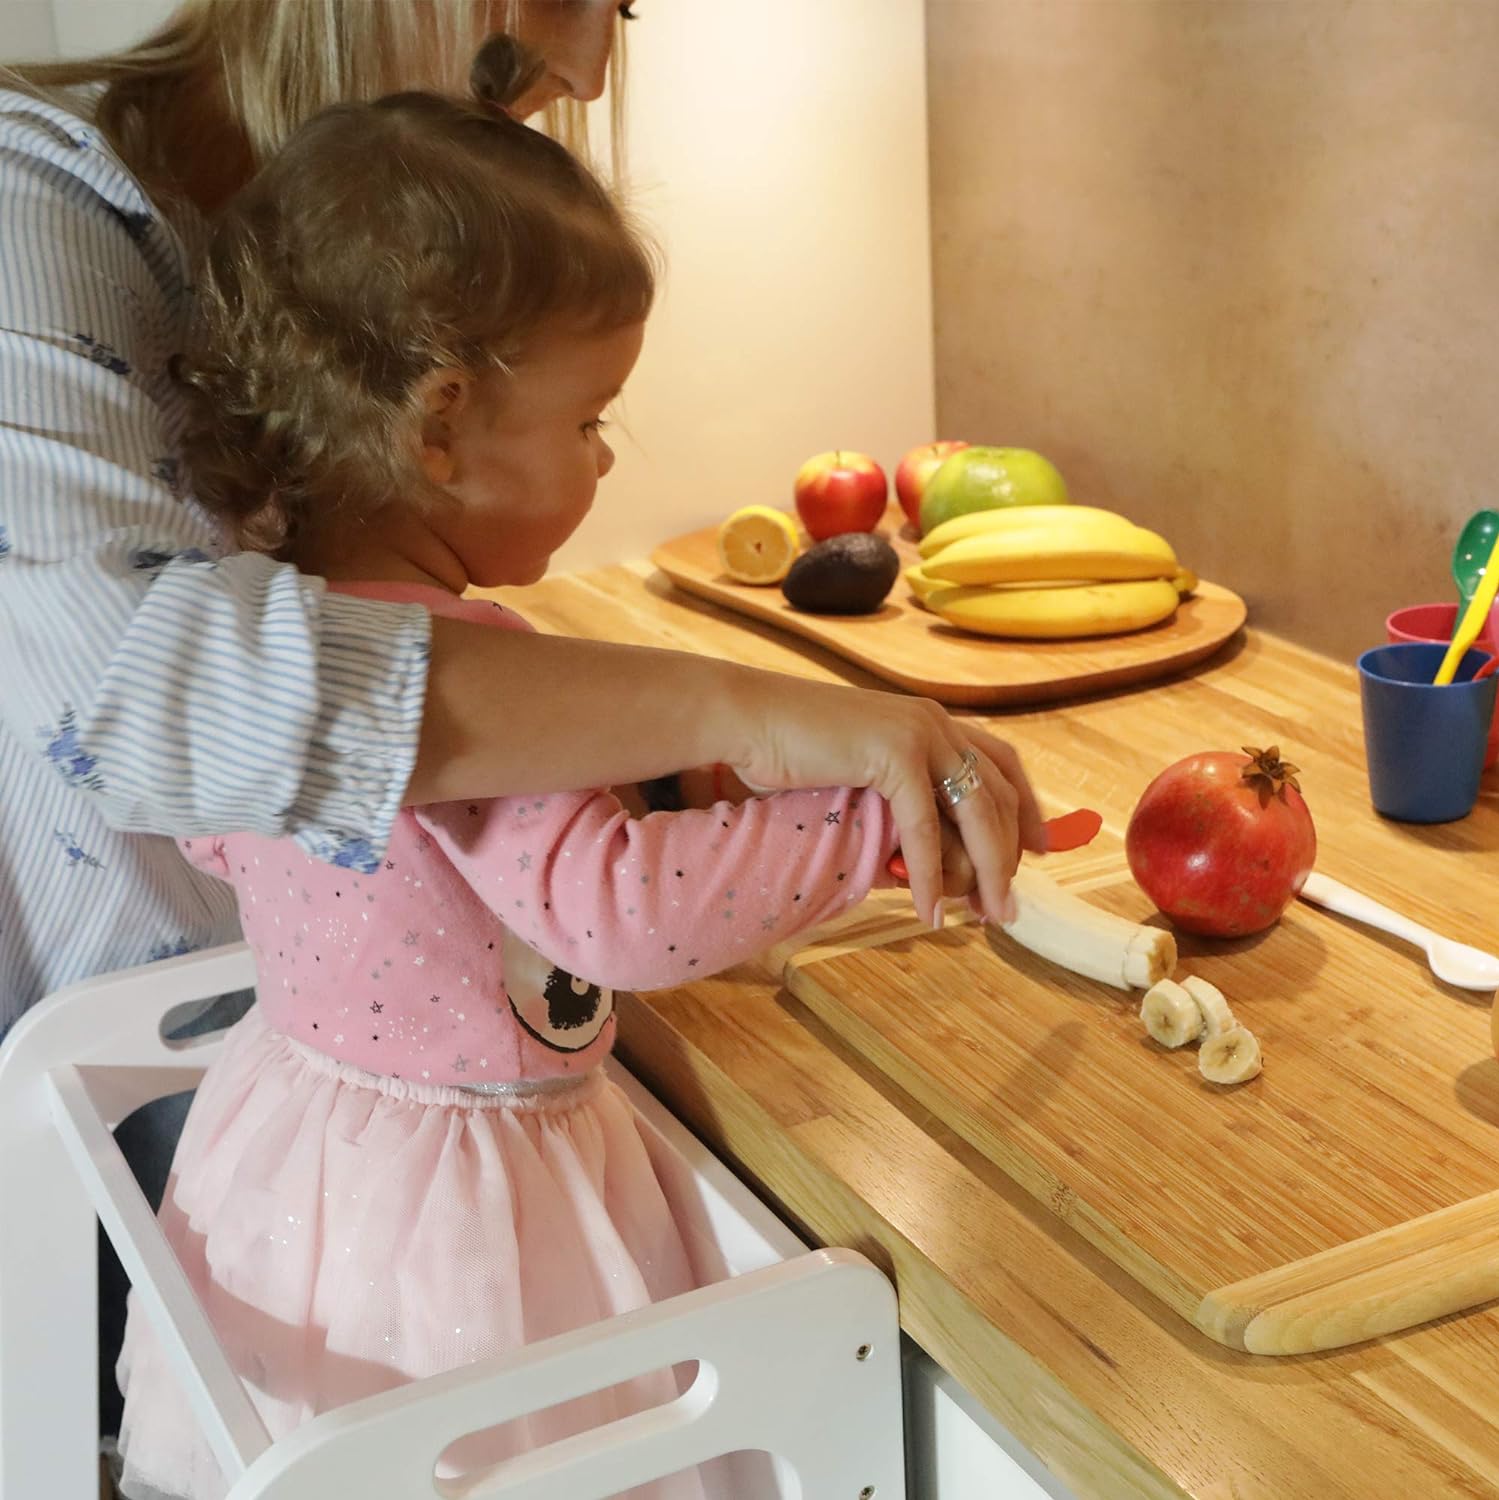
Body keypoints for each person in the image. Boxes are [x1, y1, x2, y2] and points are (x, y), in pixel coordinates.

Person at [112, 89, 983, 1499]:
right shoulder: (469, 673)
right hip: (477, 1218)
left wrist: (657, 770)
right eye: (590, 417)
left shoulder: (265, 623)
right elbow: (615, 916)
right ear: (442, 428)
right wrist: (872, 811)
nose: (605, 459)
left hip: (300, 1149)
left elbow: (283, 839)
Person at [0, 0, 1042, 1042]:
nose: (589, 73)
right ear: (438, 422)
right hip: (136, 1147)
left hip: (267, 1129)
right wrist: (784, 750)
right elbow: (146, 697)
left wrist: (662, 763)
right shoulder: (27, 200)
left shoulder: (336, 444)